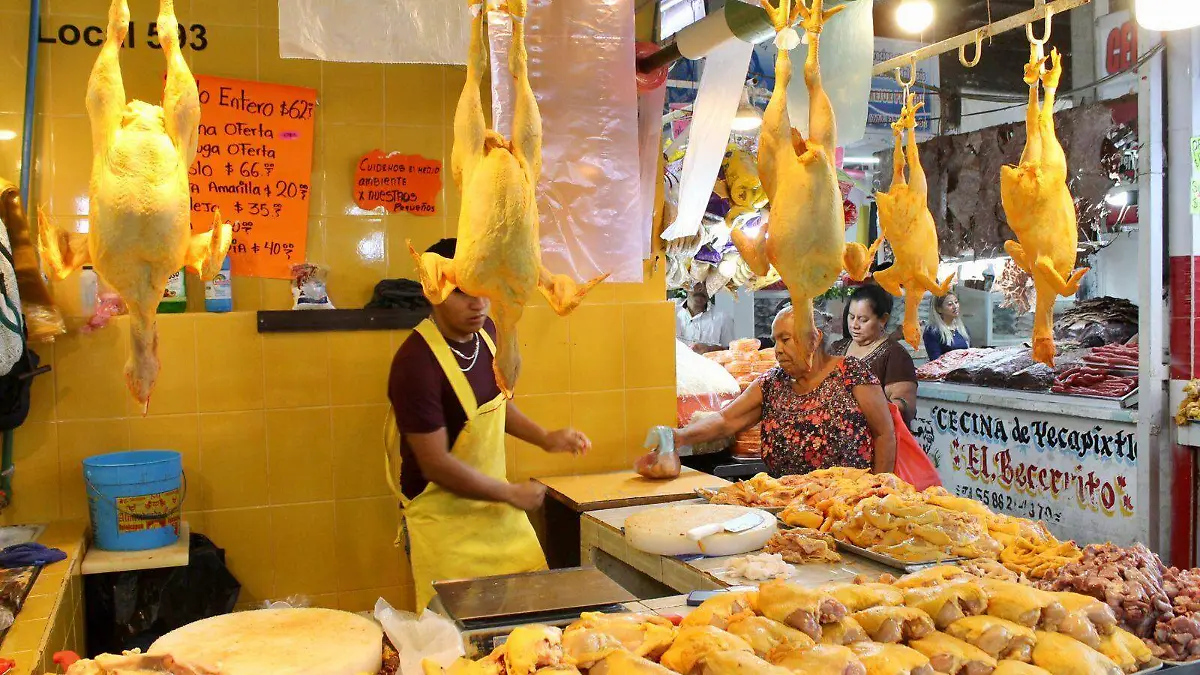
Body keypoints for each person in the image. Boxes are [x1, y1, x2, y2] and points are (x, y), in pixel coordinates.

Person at [387, 238, 592, 610]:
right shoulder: (416, 364)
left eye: (484, 292)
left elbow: (495, 407)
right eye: (463, 293)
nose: (478, 304)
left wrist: (545, 438)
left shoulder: (489, 337)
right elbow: (435, 464)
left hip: (498, 515)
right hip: (444, 527)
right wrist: (509, 494)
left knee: (532, 627)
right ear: (432, 288)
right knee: (458, 644)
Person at [654, 305, 896, 477]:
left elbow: (884, 434)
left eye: (785, 339)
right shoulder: (772, 383)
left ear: (814, 338)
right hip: (787, 504)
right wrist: (678, 437)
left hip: (845, 505)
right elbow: (725, 420)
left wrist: (877, 491)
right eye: (775, 340)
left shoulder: (851, 373)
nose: (777, 349)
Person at [830, 285, 918, 424]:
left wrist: (860, 411)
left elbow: (905, 406)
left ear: (883, 319)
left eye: (863, 320)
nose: (854, 325)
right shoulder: (837, 348)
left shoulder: (895, 355)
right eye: (851, 317)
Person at [676, 282, 734, 353]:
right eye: (697, 283)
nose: (702, 289)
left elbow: (730, 351)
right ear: (686, 286)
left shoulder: (723, 317)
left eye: (707, 285)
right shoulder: (672, 311)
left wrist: (709, 349)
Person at [923, 292, 970, 360]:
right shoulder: (932, 331)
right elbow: (935, 360)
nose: (955, 307)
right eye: (950, 304)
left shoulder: (963, 329)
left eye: (956, 302)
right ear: (939, 309)